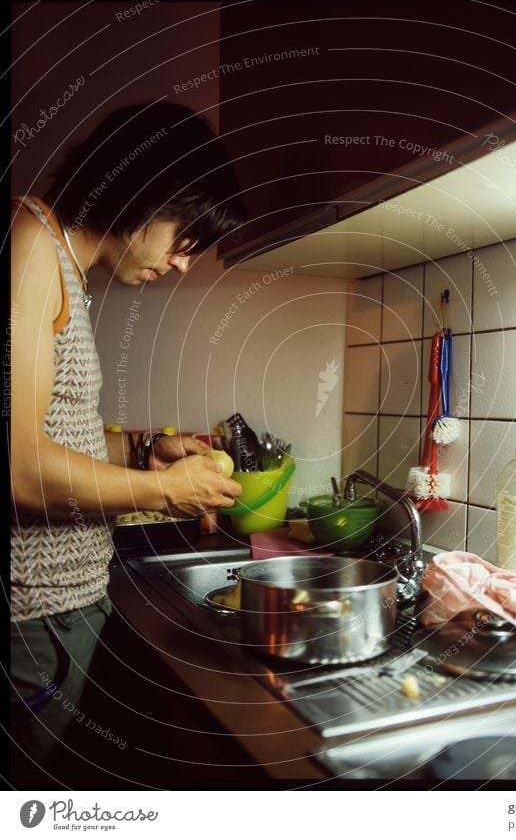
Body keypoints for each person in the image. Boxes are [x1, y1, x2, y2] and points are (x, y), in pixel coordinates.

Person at [10, 102, 244, 786]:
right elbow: (21, 470)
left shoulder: (59, 265)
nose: (178, 265)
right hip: (32, 615)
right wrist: (166, 490)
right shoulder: (30, 247)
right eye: (182, 240)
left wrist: (144, 455)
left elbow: (56, 433)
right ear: (144, 193)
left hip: (63, 609)